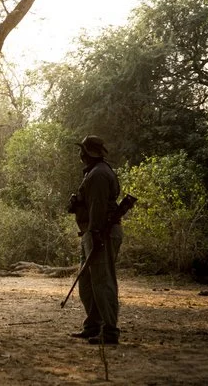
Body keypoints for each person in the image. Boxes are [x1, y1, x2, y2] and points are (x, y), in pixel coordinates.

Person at [69, 135, 123, 345]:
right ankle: (93, 326)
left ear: (87, 153)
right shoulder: (94, 172)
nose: (80, 154)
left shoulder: (99, 174)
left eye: (82, 150)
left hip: (100, 233)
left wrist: (95, 234)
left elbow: (98, 209)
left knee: (102, 282)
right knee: (88, 282)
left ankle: (109, 331)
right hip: (92, 232)